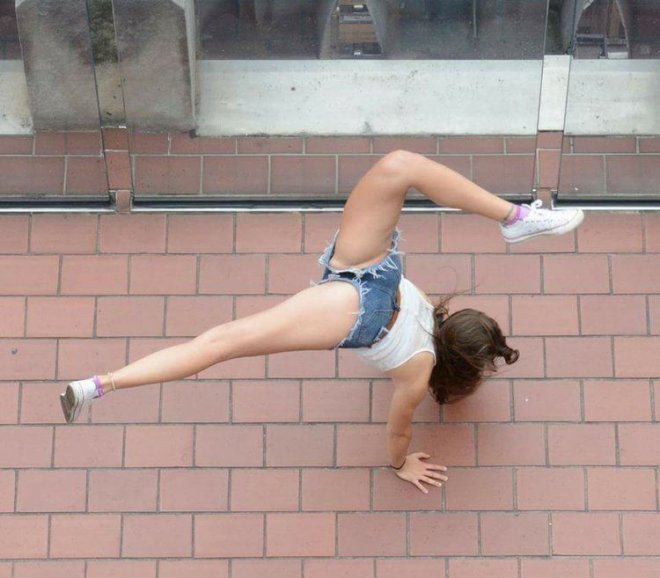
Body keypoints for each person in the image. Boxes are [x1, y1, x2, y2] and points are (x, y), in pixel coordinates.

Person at [60, 150, 583, 493]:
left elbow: (400, 423)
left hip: (370, 286)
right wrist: (400, 464)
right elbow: (398, 430)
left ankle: (514, 216)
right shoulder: (418, 370)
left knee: (400, 166)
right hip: (366, 291)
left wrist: (399, 458)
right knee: (221, 343)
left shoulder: (428, 334)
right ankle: (516, 219)